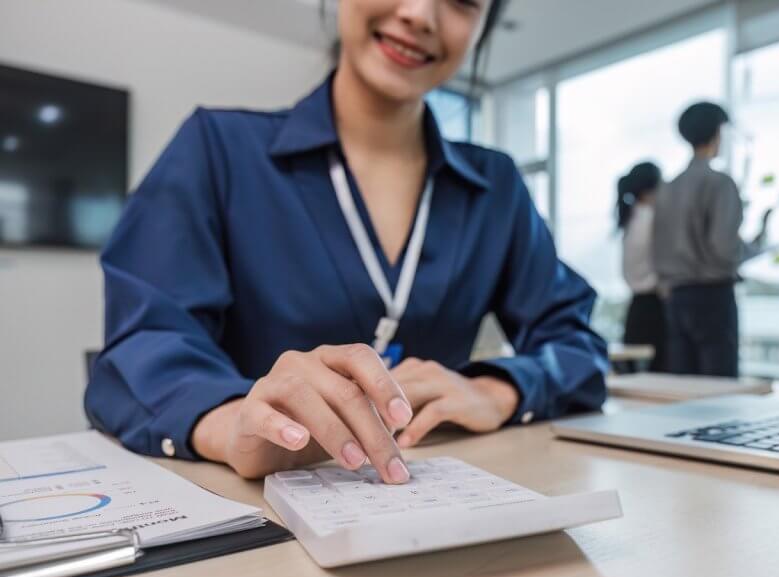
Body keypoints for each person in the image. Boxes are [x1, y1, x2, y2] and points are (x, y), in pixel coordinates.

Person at [84, 0, 608, 484]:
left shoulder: (496, 188)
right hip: (254, 505)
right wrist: (233, 424)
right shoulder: (217, 150)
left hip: (433, 500)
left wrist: (499, 390)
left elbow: (576, 343)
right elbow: (143, 346)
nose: (420, 14)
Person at [652, 102, 765, 377]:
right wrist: (755, 248)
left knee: (684, 385)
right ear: (717, 133)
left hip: (676, 298)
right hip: (713, 296)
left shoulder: (667, 188)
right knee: (720, 388)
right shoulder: (719, 183)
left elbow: (657, 249)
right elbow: (724, 247)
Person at [617, 161, 667, 371]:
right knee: (659, 376)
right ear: (651, 189)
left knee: (634, 376)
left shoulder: (630, 220)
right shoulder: (653, 220)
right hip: (656, 309)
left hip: (636, 310)